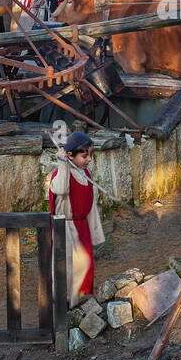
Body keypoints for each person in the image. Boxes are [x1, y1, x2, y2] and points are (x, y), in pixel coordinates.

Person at [47, 131, 106, 305]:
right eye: (84, 156)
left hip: (82, 227)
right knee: (66, 267)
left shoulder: (85, 174)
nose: (89, 159)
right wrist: (62, 163)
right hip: (65, 228)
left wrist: (94, 231)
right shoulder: (60, 174)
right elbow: (61, 189)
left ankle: (76, 303)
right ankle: (63, 305)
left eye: (90, 155)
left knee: (83, 266)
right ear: (70, 155)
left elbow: (90, 205)